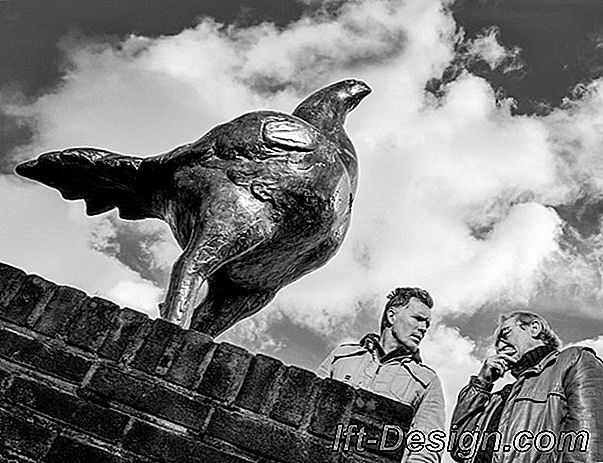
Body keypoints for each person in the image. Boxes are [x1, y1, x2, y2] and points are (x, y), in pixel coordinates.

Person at [450, 311, 603, 463]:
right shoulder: (498, 398)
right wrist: (482, 383)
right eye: (496, 344)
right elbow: (459, 448)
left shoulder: (573, 360)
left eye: (505, 334)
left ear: (534, 328)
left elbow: (587, 443)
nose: (499, 346)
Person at [318, 287, 445, 463]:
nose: (423, 328)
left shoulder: (426, 381)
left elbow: (427, 446)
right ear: (391, 316)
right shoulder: (341, 356)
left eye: (427, 324)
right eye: (418, 319)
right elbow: (308, 406)